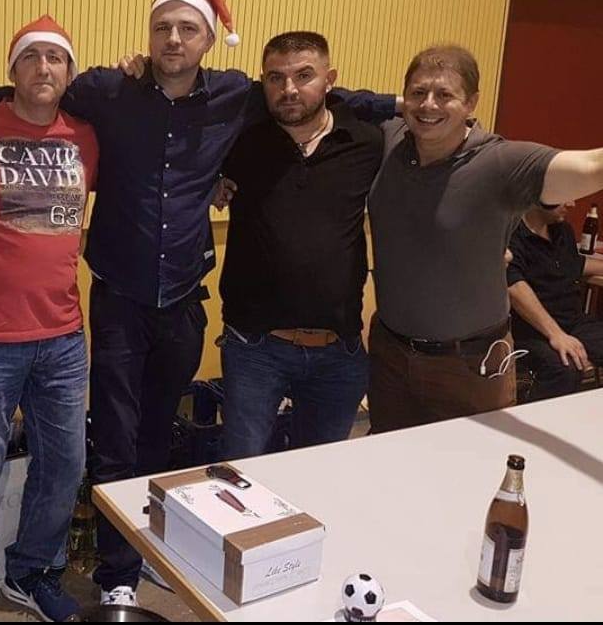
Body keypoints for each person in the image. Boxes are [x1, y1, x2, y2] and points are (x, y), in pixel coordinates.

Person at [0, 0, 396, 606]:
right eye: (162, 28)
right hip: (118, 301)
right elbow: (19, 91)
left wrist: (403, 102)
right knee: (114, 444)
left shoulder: (239, 95)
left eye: (187, 29)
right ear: (148, 35)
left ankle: (144, 551)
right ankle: (115, 573)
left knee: (160, 439)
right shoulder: (108, 90)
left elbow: (316, 95)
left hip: (182, 301)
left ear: (208, 38)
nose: (173, 39)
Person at [0, 16, 98, 623]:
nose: (44, 68)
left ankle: (33, 573)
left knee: (65, 464)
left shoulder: (85, 137)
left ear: (69, 73)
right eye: (31, 57)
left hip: (62, 336)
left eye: (56, 58)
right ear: (12, 70)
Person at [367, 44, 603, 431]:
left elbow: (592, 165)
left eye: (445, 94)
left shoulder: (502, 163)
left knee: (470, 463)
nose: (428, 105)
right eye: (418, 93)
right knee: (389, 460)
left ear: (471, 102)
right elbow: (330, 98)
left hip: (470, 365)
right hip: (390, 356)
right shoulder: (391, 139)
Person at [218, 31, 382, 459]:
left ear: (330, 79)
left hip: (339, 351)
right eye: (275, 78)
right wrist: (213, 183)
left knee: (318, 474)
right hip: (255, 349)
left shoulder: (366, 143)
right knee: (242, 473)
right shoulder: (241, 143)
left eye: (303, 75)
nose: (288, 89)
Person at [507, 201, 603, 400]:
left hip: (572, 322)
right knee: (565, 368)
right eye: (563, 197)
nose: (571, 203)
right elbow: (514, 286)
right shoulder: (512, 234)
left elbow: (574, 264)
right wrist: (556, 334)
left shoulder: (562, 230)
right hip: (529, 331)